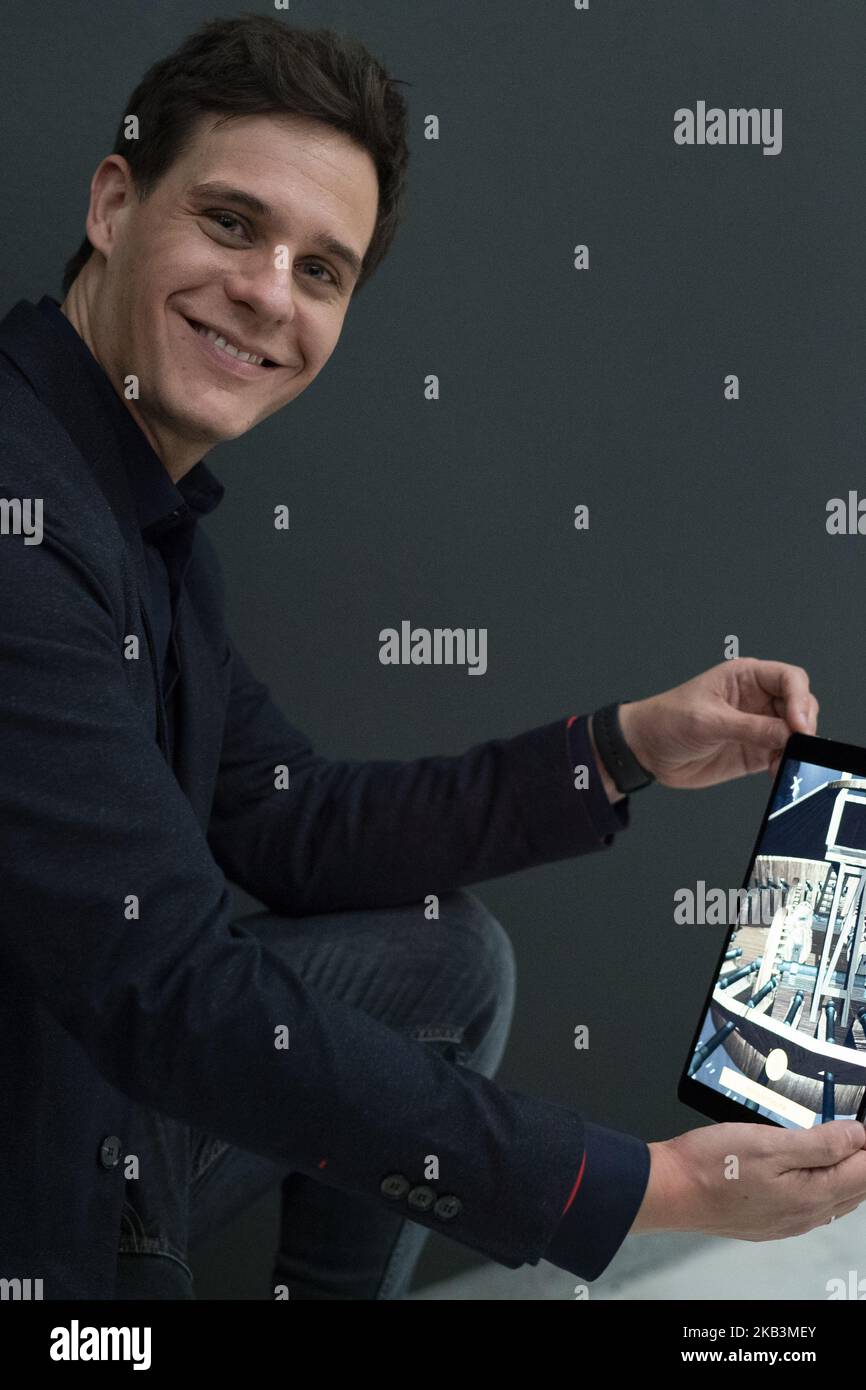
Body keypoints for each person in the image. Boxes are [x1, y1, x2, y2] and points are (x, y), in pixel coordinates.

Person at [0, 16, 863, 1302]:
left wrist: (626, 747)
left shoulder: (138, 512)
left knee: (442, 960)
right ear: (115, 204)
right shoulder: (25, 520)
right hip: (40, 1167)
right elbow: (168, 988)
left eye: (322, 269)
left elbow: (292, 824)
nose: (267, 293)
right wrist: (646, 1190)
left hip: (91, 1096)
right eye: (232, 224)